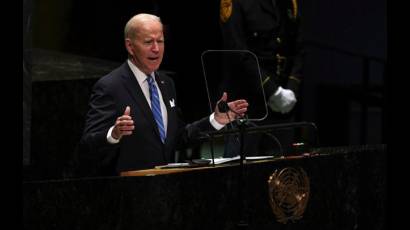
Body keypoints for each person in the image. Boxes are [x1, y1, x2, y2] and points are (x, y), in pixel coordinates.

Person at [76, 13, 249, 176]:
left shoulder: (167, 84)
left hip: (165, 190)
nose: (156, 49)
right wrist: (113, 134)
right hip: (127, 192)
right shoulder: (110, 86)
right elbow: (87, 145)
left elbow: (179, 137)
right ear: (130, 46)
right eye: (148, 42)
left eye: (160, 41)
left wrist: (216, 120)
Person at [219, 0, 304, 157]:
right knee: (241, 172)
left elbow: (299, 49)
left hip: (283, 105)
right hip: (247, 103)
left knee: (281, 173)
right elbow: (237, 51)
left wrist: (291, 89)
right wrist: (272, 91)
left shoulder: (288, 3)